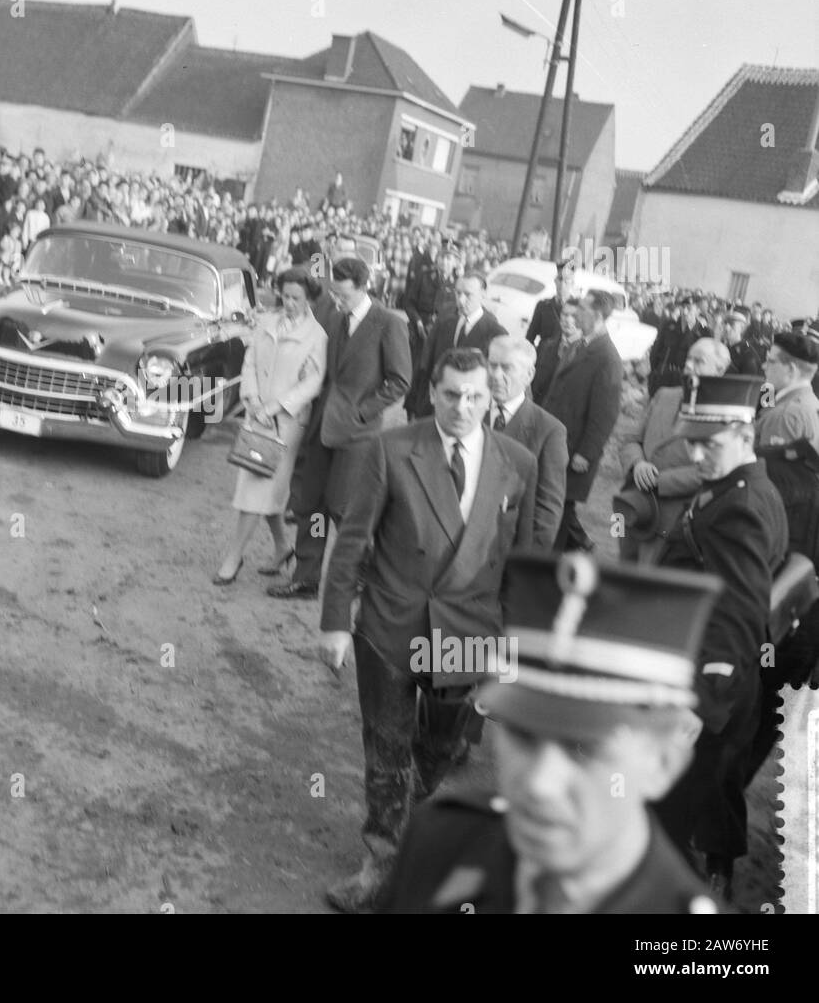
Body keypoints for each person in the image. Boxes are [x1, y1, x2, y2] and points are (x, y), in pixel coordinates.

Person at [380, 550, 722, 914]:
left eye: (586, 749)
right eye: (522, 735)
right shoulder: (438, 843)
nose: (540, 783)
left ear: (663, 764)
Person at [318, 347, 538, 912]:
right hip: (393, 624)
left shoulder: (517, 462)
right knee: (386, 750)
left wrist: (515, 638)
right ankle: (381, 862)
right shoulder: (392, 449)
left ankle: (410, 824)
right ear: (431, 393)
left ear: (492, 399)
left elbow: (522, 558)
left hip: (468, 632)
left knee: (439, 751)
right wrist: (336, 622)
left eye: (475, 397)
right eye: (450, 395)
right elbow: (352, 539)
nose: (462, 407)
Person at [654, 374, 787, 895]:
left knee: (669, 814)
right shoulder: (737, 487)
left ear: (745, 434)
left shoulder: (742, 507)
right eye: (691, 441)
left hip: (710, 689)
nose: (696, 451)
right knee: (711, 797)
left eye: (708, 443)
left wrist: (698, 707)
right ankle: (713, 879)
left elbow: (737, 619)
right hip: (721, 685)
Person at [266, 256, 411, 602]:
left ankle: (361, 572)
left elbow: (400, 380)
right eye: (334, 293)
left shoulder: (387, 324)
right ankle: (307, 577)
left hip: (357, 436)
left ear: (363, 288)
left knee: (344, 509)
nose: (337, 300)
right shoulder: (332, 314)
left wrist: (363, 412)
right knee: (311, 506)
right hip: (319, 427)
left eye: (344, 294)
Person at [213, 267, 328, 584]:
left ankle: (233, 556)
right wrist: (250, 399)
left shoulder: (316, 337)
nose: (289, 302)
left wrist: (275, 407)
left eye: (296, 298)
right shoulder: (266, 322)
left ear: (309, 300)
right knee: (267, 490)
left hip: (286, 424)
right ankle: (281, 547)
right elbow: (249, 361)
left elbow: (312, 383)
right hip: (256, 415)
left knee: (257, 486)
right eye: (285, 295)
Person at [615, 338, 729, 563]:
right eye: (689, 358)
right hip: (631, 504)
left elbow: (712, 469)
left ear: (719, 370)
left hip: (671, 516)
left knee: (648, 582)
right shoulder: (664, 395)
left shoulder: (723, 418)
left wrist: (660, 480)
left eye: (699, 361)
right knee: (620, 566)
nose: (688, 365)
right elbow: (631, 439)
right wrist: (638, 464)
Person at [541, 289, 623, 551]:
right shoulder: (581, 345)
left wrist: (586, 453)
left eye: (583, 310)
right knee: (556, 507)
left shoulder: (607, 358)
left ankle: (558, 569)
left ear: (597, 316)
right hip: (558, 442)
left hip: (574, 449)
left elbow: (605, 413)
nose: (576, 314)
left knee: (560, 510)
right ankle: (579, 549)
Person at [487, 335, 567, 548]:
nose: (496, 375)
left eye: (507, 368)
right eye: (492, 365)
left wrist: (526, 567)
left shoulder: (549, 431)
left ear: (529, 375)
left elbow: (546, 510)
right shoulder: (467, 413)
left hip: (504, 550)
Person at [406, 273, 506, 419]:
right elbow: (425, 366)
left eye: (468, 294)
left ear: (483, 294)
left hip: (466, 414)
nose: (461, 300)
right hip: (433, 409)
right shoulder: (444, 321)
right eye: (458, 293)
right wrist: (414, 404)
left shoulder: (495, 332)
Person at [757, 329, 819, 447]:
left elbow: (769, 463)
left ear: (791, 369)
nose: (763, 366)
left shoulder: (784, 416)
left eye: (771, 361)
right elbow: (765, 407)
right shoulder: (811, 400)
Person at [649, 295, 711, 396]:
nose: (685, 312)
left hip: (683, 381)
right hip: (663, 376)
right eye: (683, 308)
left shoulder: (704, 333)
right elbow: (655, 351)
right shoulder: (669, 326)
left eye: (689, 309)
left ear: (698, 311)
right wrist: (655, 372)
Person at [525, 262, 575, 347]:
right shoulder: (543, 306)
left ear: (573, 283)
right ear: (555, 280)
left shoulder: (578, 308)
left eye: (566, 281)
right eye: (560, 279)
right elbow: (530, 338)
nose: (562, 284)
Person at [720, 306, 761, 375]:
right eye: (725, 323)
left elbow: (747, 383)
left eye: (732, 324)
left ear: (742, 328)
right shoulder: (721, 346)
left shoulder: (747, 354)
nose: (727, 328)